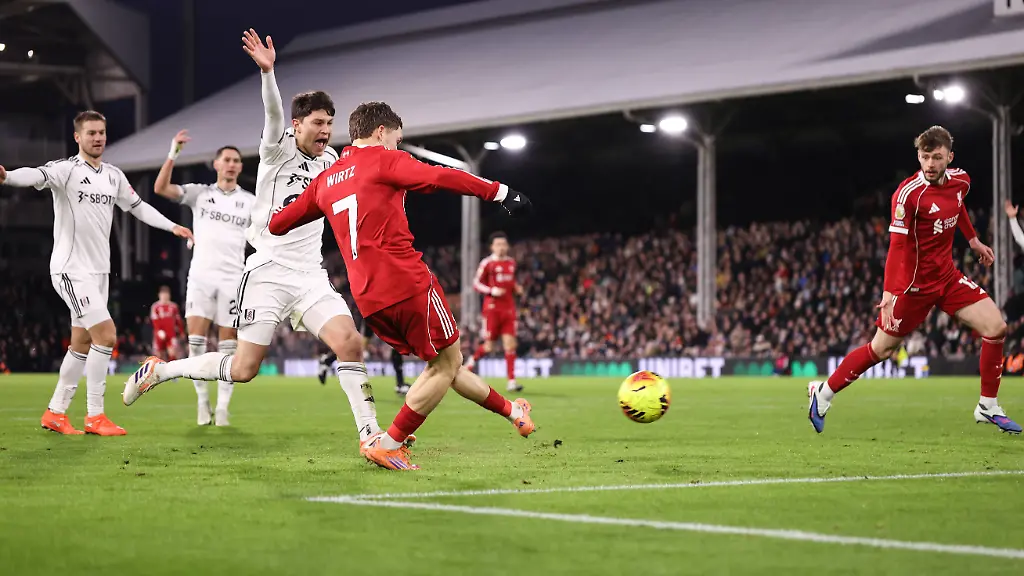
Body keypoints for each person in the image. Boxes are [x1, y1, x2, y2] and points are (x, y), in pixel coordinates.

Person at [123, 30, 382, 449]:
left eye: (330, 124)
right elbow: (274, 113)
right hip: (267, 272)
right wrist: (268, 74)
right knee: (244, 369)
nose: (325, 131)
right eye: (318, 123)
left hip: (311, 276)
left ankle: (371, 435)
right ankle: (162, 371)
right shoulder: (277, 150)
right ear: (298, 125)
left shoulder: (332, 160)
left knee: (350, 342)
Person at [267, 101, 535, 470]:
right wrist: (500, 192)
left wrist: (286, 194)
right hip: (406, 282)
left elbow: (278, 224)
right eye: (397, 138)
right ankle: (388, 443)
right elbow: (441, 177)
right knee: (444, 365)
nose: (397, 145)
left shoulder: (325, 180)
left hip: (367, 298)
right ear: (381, 132)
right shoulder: (382, 159)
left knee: (446, 364)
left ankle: (512, 411)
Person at [808, 126, 1020, 435]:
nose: (931, 164)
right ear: (918, 157)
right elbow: (896, 246)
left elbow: (957, 206)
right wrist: (890, 293)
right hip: (913, 287)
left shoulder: (961, 181)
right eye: (925, 157)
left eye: (937, 157)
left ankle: (987, 405)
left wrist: (972, 240)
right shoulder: (907, 195)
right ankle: (823, 394)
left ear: (950, 156)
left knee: (996, 327)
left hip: (947, 278)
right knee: (880, 350)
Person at [0, 110, 194, 436]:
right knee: (106, 336)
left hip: (99, 272)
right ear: (78, 137)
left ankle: (56, 413)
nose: (98, 138)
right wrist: (6, 177)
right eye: (91, 133)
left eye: (102, 132)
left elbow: (137, 206)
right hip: (70, 269)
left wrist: (172, 225)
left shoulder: (113, 176)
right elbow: (35, 175)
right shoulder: (66, 170)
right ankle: (95, 415)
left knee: (81, 343)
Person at [154, 133, 255, 426]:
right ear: (216, 164)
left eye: (236, 161)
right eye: (227, 160)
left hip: (233, 279)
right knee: (196, 342)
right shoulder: (200, 194)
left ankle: (223, 407)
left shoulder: (249, 202)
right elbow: (160, 188)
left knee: (229, 346)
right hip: (201, 276)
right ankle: (202, 401)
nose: (232, 165)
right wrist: (173, 151)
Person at [466, 231, 524, 392]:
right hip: (492, 309)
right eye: (498, 244)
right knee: (489, 346)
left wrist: (517, 288)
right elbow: (476, 284)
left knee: (510, 345)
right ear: (492, 247)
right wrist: (492, 291)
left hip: (508, 309)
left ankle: (512, 381)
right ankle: (471, 362)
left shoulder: (511, 263)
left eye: (504, 244)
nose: (501, 247)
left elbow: (511, 283)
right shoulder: (487, 263)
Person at [319, 321, 409, 395]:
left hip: (380, 310)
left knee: (397, 343)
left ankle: (328, 360)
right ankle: (328, 360)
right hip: (377, 311)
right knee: (358, 347)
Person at [151, 285, 186, 361]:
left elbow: (178, 320)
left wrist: (181, 331)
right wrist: (159, 330)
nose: (164, 297)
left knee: (173, 353)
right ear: (159, 295)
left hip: (171, 334)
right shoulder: (156, 307)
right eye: (163, 295)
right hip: (159, 334)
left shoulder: (173, 307)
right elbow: (154, 320)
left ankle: (172, 371)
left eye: (166, 295)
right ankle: (159, 371)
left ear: (169, 295)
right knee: (159, 354)